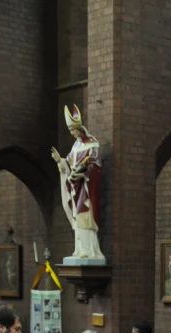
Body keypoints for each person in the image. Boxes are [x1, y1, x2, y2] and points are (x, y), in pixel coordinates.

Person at [51, 104, 105, 260]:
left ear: (79, 128)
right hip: (76, 188)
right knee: (77, 218)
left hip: (86, 188)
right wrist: (59, 161)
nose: (71, 133)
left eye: (72, 130)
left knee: (84, 217)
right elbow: (68, 163)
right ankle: (80, 249)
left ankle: (89, 251)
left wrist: (85, 174)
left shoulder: (92, 143)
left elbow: (95, 165)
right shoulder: (76, 146)